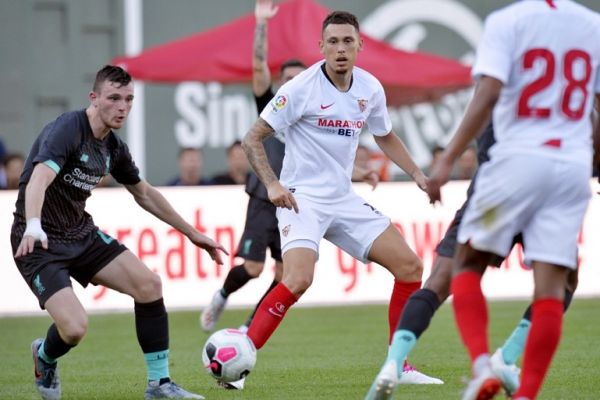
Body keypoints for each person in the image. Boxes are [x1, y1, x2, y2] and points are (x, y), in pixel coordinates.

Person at [241, 9, 442, 386]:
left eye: (348, 41)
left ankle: (397, 366)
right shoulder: (299, 87)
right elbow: (252, 138)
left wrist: (417, 173)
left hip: (343, 199)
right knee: (299, 279)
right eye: (332, 42)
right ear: (321, 47)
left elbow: (384, 135)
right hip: (302, 200)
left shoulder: (370, 88)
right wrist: (272, 184)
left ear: (360, 45)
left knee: (411, 268)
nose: (340, 49)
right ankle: (240, 356)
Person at [11, 65, 228, 400]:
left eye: (128, 99)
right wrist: (35, 224)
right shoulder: (69, 128)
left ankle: (159, 385)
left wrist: (191, 233)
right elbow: (39, 178)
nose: (122, 106)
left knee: (149, 285)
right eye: (113, 98)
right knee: (74, 329)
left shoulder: (112, 147)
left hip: (80, 234)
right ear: (94, 98)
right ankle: (44, 356)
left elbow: (143, 193)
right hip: (38, 241)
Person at [426, 2, 600, 399]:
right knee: (552, 289)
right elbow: (598, 109)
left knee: (466, 262)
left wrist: (448, 158)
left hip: (517, 158)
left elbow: (488, 91)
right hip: (572, 165)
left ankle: (482, 365)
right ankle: (526, 394)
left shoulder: (507, 21)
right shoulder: (594, 25)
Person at [365, 123, 579, 400]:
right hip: (549, 184)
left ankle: (394, 364)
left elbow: (486, 98)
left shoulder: (506, 84)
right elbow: (590, 116)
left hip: (497, 182)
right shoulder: (576, 80)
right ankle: (506, 363)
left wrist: (447, 159)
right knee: (561, 282)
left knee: (444, 277)